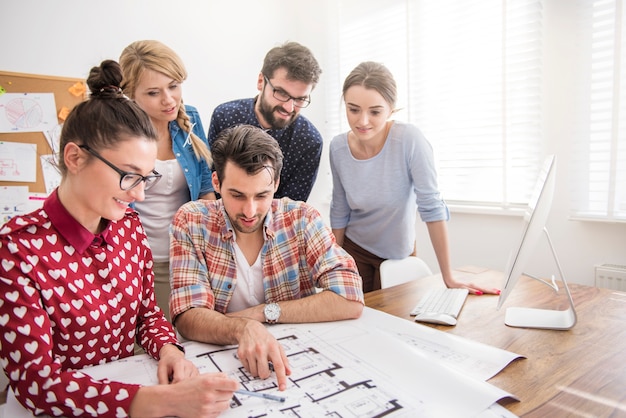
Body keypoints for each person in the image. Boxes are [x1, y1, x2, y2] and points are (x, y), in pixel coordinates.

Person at [0, 60, 238, 417]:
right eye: (129, 176)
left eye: (146, 178)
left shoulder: (127, 225)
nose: (139, 195)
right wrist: (157, 401)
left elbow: (146, 313)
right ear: (75, 158)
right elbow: (37, 383)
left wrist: (169, 349)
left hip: (128, 386)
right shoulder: (18, 249)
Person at [169, 124, 364, 392]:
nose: (249, 211)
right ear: (216, 183)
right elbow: (187, 316)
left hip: (294, 363)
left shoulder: (302, 219)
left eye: (261, 195)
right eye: (237, 195)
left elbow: (350, 298)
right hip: (223, 361)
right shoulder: (191, 220)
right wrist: (241, 329)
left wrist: (260, 314)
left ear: (276, 183)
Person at [329, 61, 501, 295]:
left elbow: (431, 206)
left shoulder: (409, 140)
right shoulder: (338, 148)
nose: (363, 121)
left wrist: (448, 276)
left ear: (391, 109)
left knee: (396, 323)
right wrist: (333, 265)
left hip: (398, 256)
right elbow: (340, 209)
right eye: (354, 109)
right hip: (354, 250)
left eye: (375, 111)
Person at [118, 40, 215, 322]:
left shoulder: (191, 118)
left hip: (187, 256)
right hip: (140, 261)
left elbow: (206, 190)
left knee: (192, 335)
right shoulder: (120, 134)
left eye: (173, 86)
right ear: (131, 95)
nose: (169, 99)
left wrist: (210, 251)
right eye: (153, 92)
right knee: (153, 341)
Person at [207, 41, 323, 202]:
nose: (289, 107)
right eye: (281, 93)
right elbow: (210, 182)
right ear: (261, 81)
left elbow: (291, 208)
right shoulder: (225, 116)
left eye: (300, 99)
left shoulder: (309, 140)